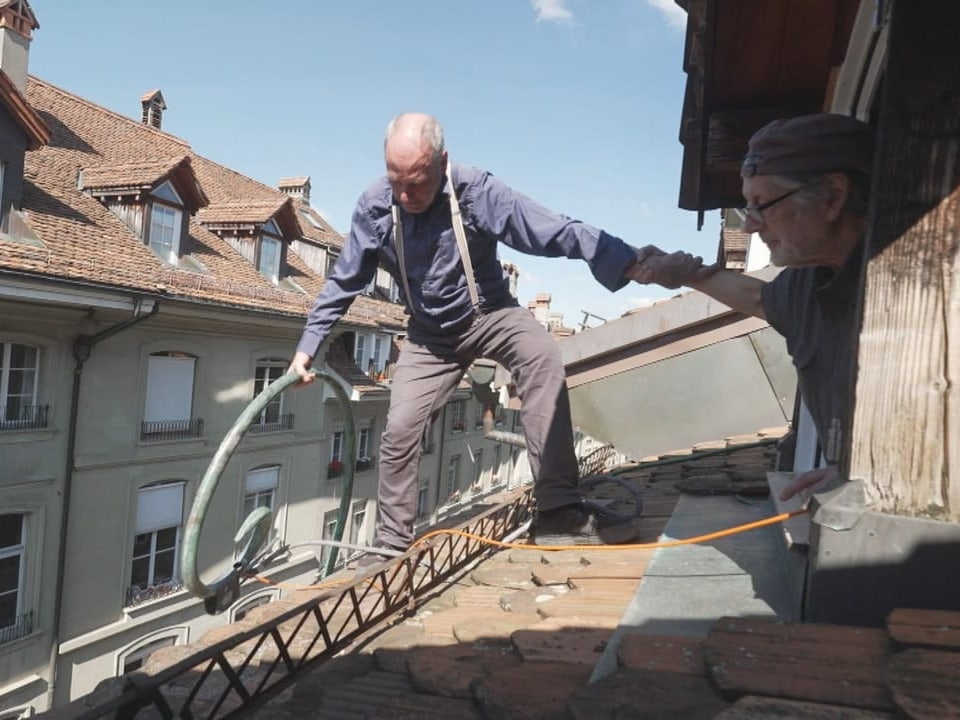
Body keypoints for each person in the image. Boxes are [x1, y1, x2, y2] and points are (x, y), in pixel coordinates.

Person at [289, 112, 707, 557]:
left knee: (543, 357)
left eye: (417, 181)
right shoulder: (374, 206)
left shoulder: (475, 190)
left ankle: (557, 509)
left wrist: (622, 260)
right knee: (398, 430)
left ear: (443, 163)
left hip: (490, 313)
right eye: (396, 181)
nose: (406, 195)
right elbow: (344, 281)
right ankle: (390, 548)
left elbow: (550, 229)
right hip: (429, 334)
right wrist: (308, 347)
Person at [632, 113, 874, 502]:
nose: (750, 226)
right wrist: (685, 273)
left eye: (762, 204)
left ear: (833, 195)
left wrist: (872, 479)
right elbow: (757, 298)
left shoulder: (916, 295)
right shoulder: (809, 279)